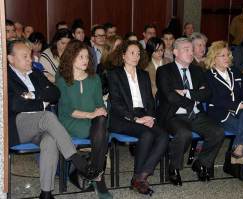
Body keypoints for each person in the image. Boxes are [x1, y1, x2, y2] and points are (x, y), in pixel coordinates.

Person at [7, 39, 102, 199]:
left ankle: (46, 193)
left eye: (30, 55)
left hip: (41, 125)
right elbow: (15, 104)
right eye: (25, 56)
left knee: (50, 140)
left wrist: (32, 96)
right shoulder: (5, 77)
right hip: (18, 125)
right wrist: (40, 102)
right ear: (10, 58)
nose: (30, 59)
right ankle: (77, 160)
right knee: (47, 116)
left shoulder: (35, 73)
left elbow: (54, 94)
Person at [156, 38, 224, 185]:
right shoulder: (164, 71)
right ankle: (174, 168)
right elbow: (169, 96)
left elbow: (207, 93)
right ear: (175, 52)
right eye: (186, 49)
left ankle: (201, 163)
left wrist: (187, 93)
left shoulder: (197, 70)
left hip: (196, 114)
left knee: (217, 132)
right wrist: (192, 100)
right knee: (183, 134)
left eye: (191, 50)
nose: (190, 52)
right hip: (174, 115)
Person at [107, 40, 168, 195]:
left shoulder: (143, 74)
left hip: (142, 114)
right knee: (146, 133)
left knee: (163, 136)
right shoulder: (115, 74)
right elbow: (116, 102)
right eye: (132, 53)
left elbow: (149, 100)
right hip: (121, 117)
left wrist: (151, 116)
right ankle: (139, 179)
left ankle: (141, 176)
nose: (136, 56)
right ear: (123, 55)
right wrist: (135, 119)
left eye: (138, 53)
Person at [205, 41, 243, 191]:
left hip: (238, 112)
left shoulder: (234, 72)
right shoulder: (208, 75)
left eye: (228, 55)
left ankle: (239, 149)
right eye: (222, 55)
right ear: (214, 57)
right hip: (220, 114)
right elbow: (217, 100)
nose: (226, 58)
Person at [56, 40, 112, 199]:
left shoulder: (94, 79)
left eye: (87, 57)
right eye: (80, 57)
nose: (85, 60)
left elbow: (99, 105)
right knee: (102, 132)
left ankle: (94, 173)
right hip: (70, 122)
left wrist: (101, 111)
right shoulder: (62, 80)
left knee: (101, 121)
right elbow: (67, 110)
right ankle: (99, 180)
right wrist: (92, 115)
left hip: (92, 122)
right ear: (71, 58)